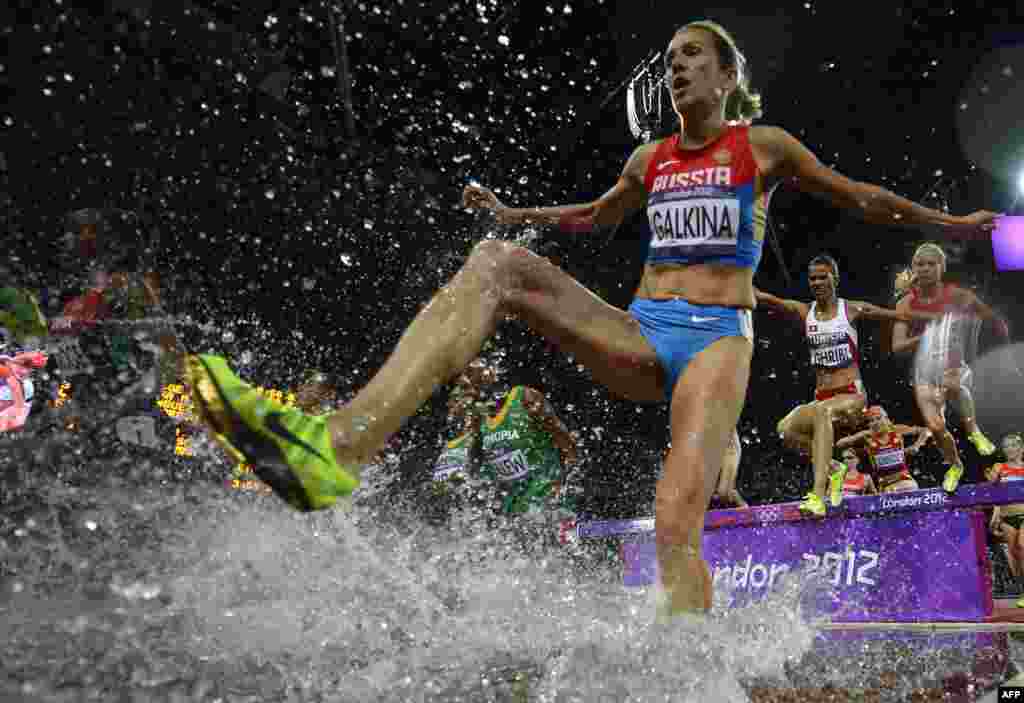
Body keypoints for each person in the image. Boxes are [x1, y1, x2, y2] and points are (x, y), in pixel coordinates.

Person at [183, 19, 999, 617]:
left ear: (725, 79)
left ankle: (686, 671)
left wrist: (953, 224)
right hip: (644, 331)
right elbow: (594, 216)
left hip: (719, 342)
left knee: (678, 521)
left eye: (693, 59)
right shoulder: (648, 159)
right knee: (497, 263)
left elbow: (862, 197)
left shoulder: (767, 147)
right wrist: (515, 210)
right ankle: (337, 449)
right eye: (671, 58)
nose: (676, 69)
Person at [756, 255, 935, 516]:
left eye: (823, 276)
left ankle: (817, 496)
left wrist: (930, 312)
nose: (817, 282)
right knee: (786, 429)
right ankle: (834, 468)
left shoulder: (851, 309)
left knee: (821, 412)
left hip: (852, 395)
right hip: (823, 398)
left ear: (835, 279)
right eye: (812, 278)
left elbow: (897, 315)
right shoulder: (805, 312)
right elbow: (766, 298)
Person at [892, 242, 1009, 492]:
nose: (924, 269)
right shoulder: (904, 304)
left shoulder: (956, 295)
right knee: (935, 426)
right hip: (924, 371)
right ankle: (955, 465)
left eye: (930, 264)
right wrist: (924, 336)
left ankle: (974, 429)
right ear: (913, 269)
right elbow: (897, 346)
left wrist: (1001, 338)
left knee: (952, 383)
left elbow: (990, 317)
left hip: (955, 365)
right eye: (919, 264)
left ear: (941, 267)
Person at [431, 357, 579, 523]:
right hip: (517, 516)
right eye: (461, 387)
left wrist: (566, 481)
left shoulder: (524, 398)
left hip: (551, 501)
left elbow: (567, 445)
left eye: (468, 382)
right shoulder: (479, 424)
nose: (466, 390)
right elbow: (476, 472)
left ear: (491, 375)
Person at [833, 406, 931, 502]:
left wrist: (916, 446)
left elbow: (926, 431)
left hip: (904, 481)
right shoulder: (867, 437)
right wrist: (860, 435)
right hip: (885, 486)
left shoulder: (896, 430)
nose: (875, 423)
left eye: (878, 418)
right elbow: (839, 444)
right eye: (871, 421)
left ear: (886, 419)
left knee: (908, 488)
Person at [987, 433, 1024, 607]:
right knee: (1015, 554)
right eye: (1006, 445)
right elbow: (994, 493)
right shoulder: (999, 466)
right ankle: (1022, 590)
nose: (1009, 448)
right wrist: (995, 516)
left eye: (1013, 445)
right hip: (1007, 518)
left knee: (1023, 547)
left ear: (1021, 448)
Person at [708, 429, 747, 509]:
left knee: (724, 492)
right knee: (722, 492)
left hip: (730, 449)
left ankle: (746, 510)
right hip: (721, 448)